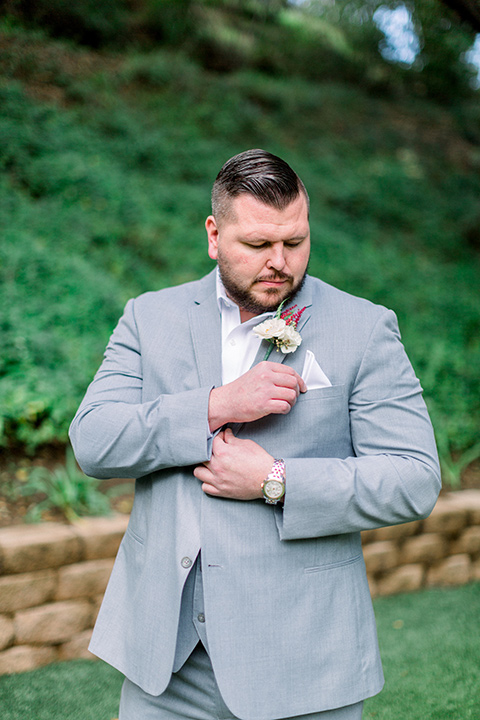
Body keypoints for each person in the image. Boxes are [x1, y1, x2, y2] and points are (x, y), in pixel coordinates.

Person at [69, 149, 441, 720]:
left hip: (302, 655)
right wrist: (216, 406)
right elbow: (94, 440)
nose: (280, 263)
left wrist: (276, 480)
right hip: (166, 664)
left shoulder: (365, 329)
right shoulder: (150, 317)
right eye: (258, 245)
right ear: (215, 235)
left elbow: (414, 477)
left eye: (294, 243)